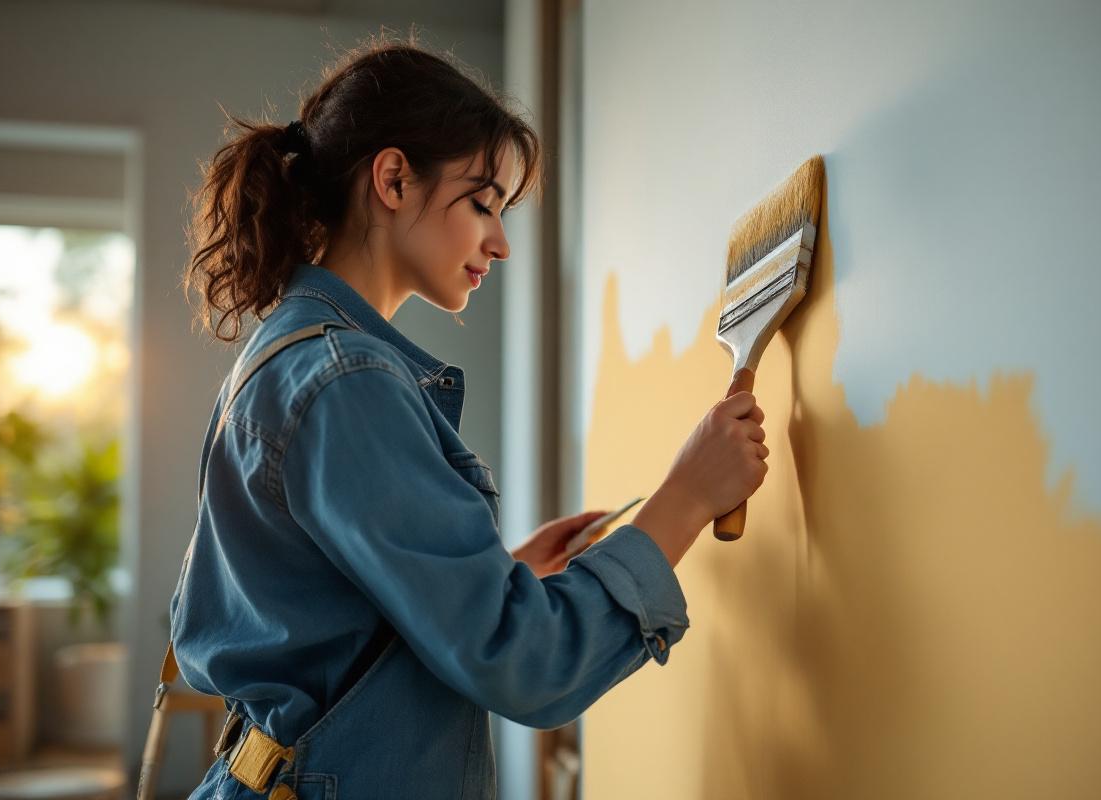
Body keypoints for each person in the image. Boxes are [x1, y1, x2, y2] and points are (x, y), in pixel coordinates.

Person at [168, 31, 768, 800]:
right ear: (392, 179)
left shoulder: (293, 351)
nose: (501, 241)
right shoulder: (346, 381)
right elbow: (528, 667)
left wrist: (504, 576)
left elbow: (314, 617)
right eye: (481, 202)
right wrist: (684, 502)